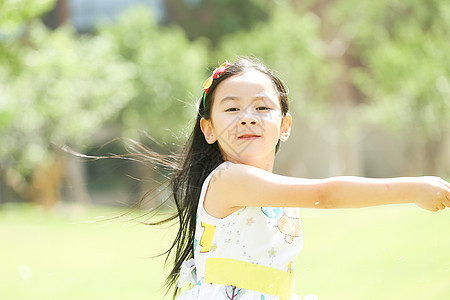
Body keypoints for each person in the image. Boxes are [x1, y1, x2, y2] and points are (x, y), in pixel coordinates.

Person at [151, 58, 449, 300]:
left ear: (285, 125)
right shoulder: (229, 180)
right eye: (232, 108)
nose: (247, 117)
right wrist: (412, 189)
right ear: (209, 129)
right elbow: (326, 195)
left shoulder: (272, 191)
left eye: (262, 107)